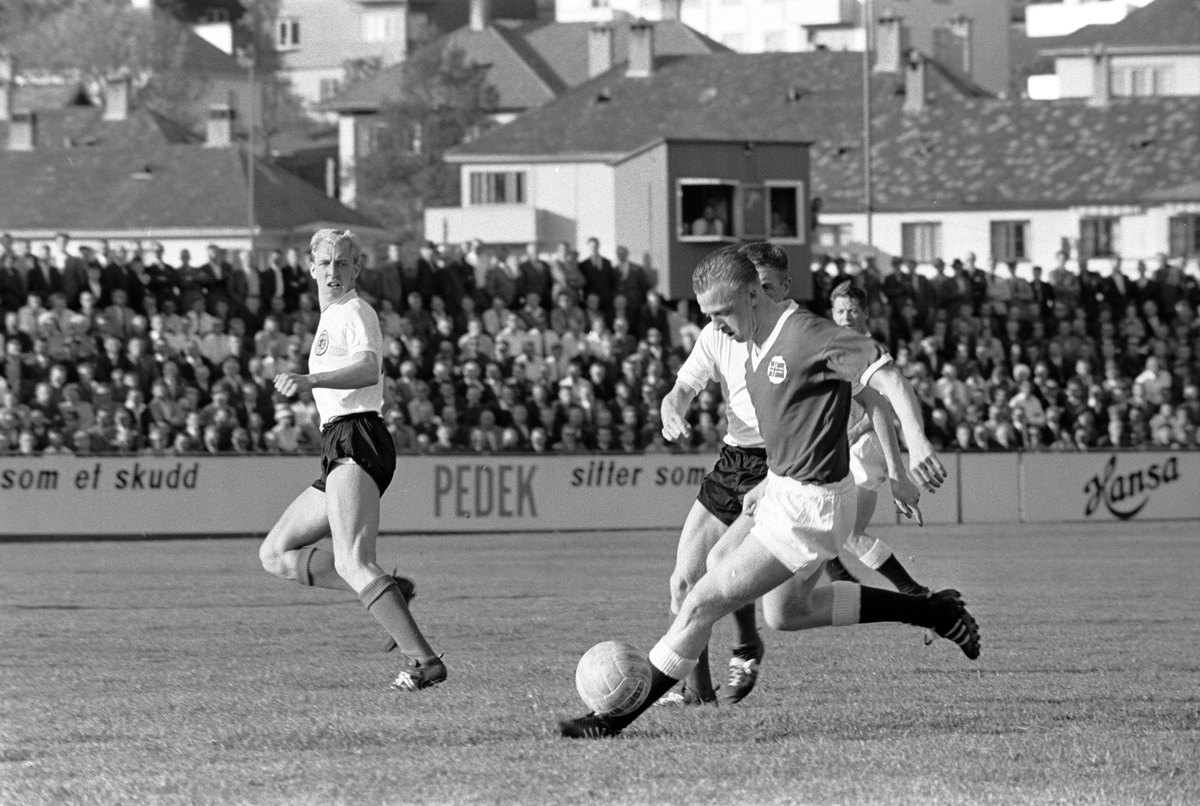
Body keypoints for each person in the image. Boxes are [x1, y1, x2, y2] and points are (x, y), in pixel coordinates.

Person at [559, 246, 979, 739]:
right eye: (708, 316)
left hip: (812, 506)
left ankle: (613, 721)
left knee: (700, 601)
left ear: (754, 295)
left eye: (721, 313)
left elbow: (887, 380)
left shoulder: (809, 334)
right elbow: (792, 427)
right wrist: (770, 479)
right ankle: (934, 611)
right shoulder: (751, 339)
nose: (715, 326)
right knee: (785, 613)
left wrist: (917, 444)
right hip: (785, 487)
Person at [656, 243, 927, 708]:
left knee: (743, 579)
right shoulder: (720, 329)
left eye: (766, 286)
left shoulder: (805, 336)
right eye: (752, 286)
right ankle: (698, 692)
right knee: (684, 583)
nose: (758, 295)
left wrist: (900, 468)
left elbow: (875, 400)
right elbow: (681, 387)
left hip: (785, 466)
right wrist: (671, 410)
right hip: (735, 460)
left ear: (782, 288)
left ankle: (745, 647)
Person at [257, 229, 446, 692]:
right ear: (311, 268)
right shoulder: (331, 317)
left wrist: (310, 380)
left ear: (357, 269)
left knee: (354, 560)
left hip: (356, 437)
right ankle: (391, 591)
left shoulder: (355, 311)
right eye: (326, 263)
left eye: (343, 262)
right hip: (341, 440)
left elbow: (367, 367)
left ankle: (425, 662)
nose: (333, 271)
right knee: (276, 554)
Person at [826, 281, 931, 596]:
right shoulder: (832, 346)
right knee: (830, 524)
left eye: (852, 311)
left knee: (848, 531)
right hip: (847, 445)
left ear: (865, 315)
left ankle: (910, 591)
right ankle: (845, 577)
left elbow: (882, 405)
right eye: (840, 311)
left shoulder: (871, 352)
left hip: (865, 445)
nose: (845, 317)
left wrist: (851, 434)